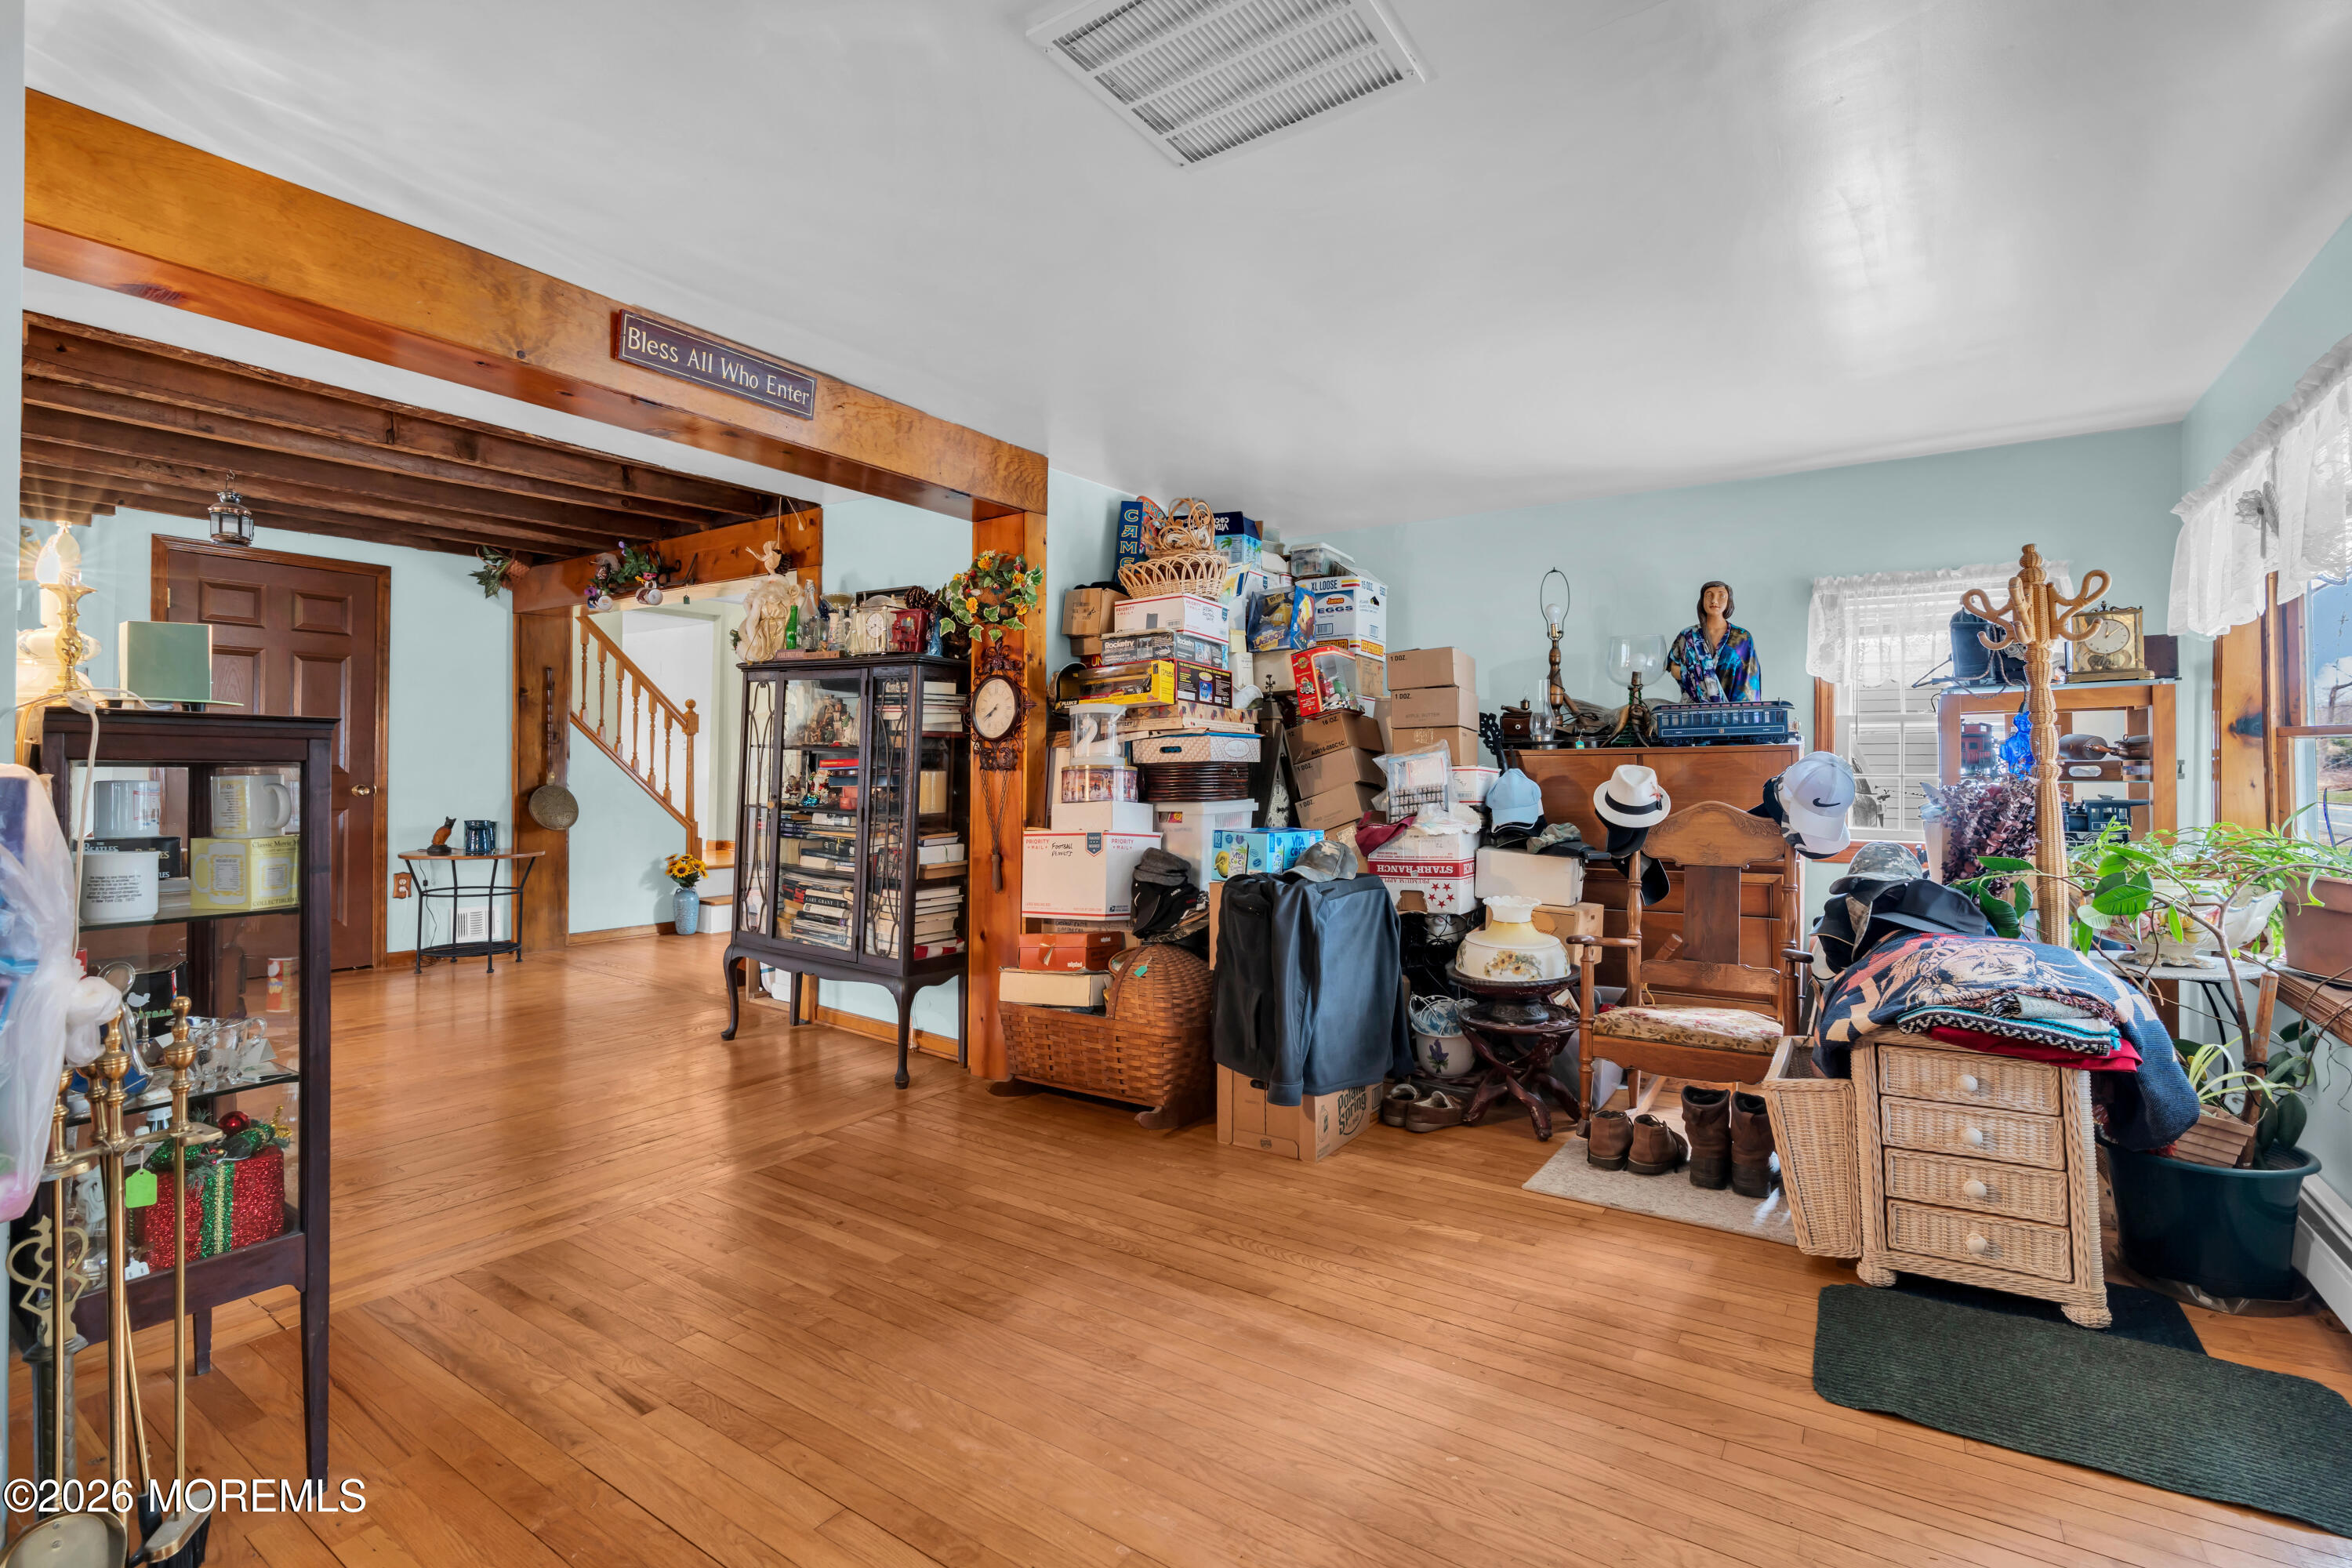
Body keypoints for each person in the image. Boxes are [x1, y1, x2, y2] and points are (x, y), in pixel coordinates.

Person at [1664, 579, 1762, 702]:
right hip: (1693, 709)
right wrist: (1696, 677)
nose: (1714, 600)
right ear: (1702, 600)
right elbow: (1674, 666)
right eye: (1709, 595)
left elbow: (1749, 680)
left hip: (1732, 713)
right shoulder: (1688, 635)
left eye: (1721, 596)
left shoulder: (1742, 638)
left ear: (1729, 601)